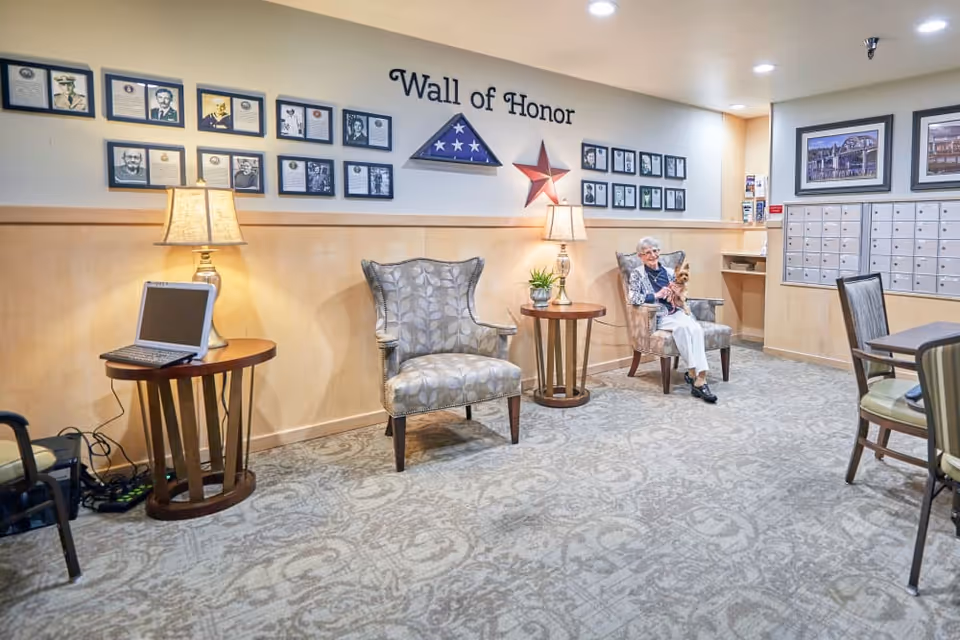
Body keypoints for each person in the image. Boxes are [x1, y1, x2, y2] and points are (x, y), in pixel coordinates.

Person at [627, 237, 717, 403]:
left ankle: (699, 375)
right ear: (640, 256)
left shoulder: (669, 272)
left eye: (655, 251)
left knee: (695, 328)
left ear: (659, 252)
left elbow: (682, 291)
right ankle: (695, 375)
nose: (652, 255)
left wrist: (676, 294)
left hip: (676, 310)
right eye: (647, 253)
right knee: (682, 328)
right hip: (658, 315)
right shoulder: (637, 274)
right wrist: (656, 295)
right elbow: (632, 297)